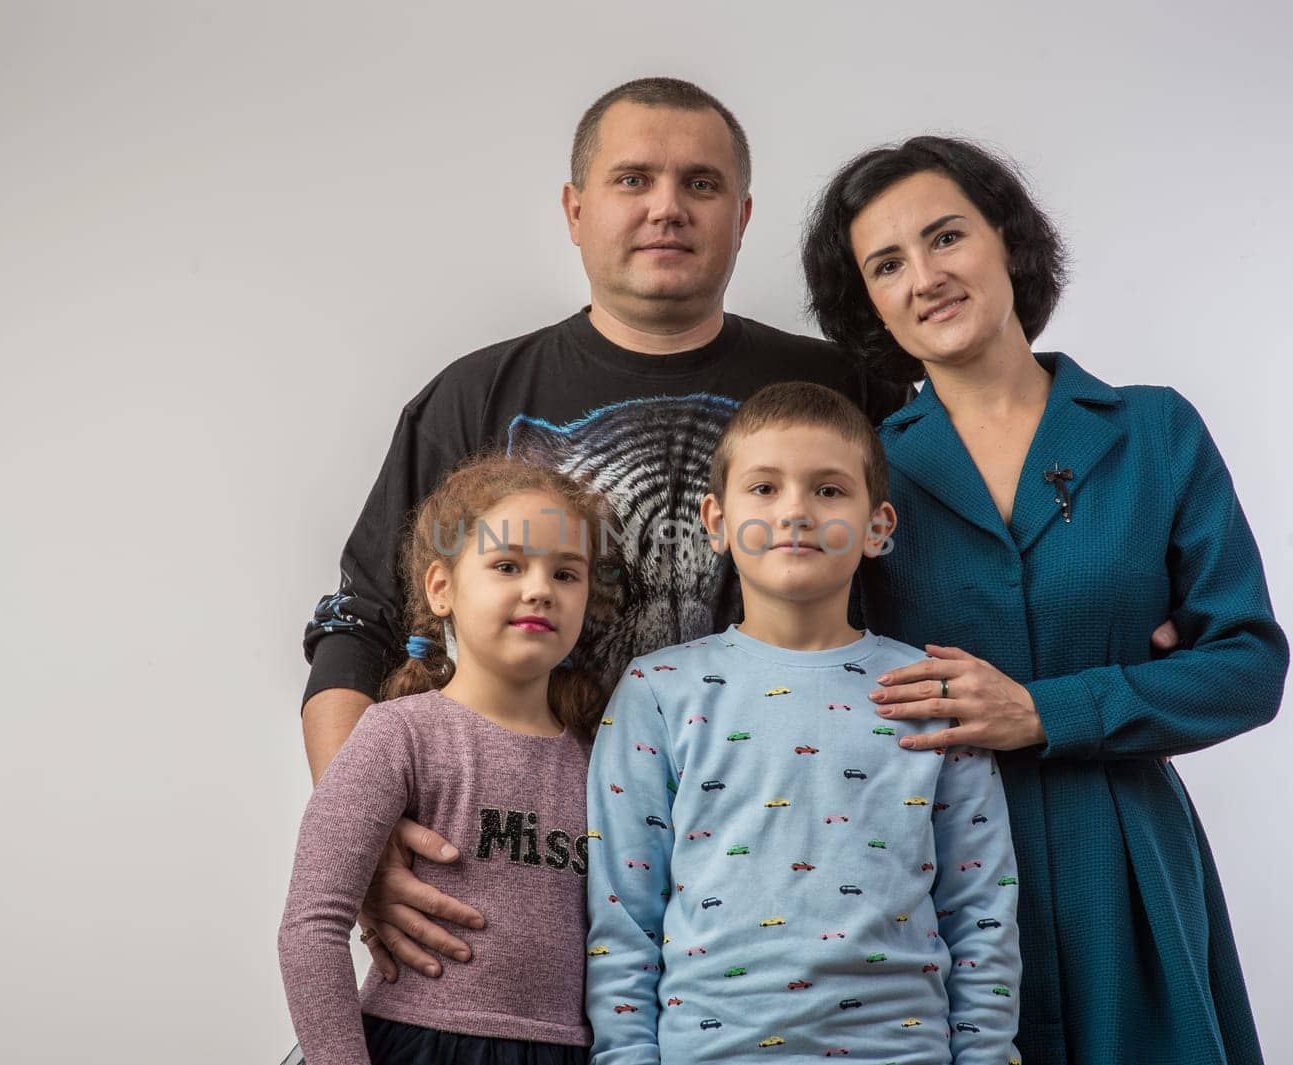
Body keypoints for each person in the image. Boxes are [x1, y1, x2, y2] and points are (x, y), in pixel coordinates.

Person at [298, 76, 908, 983]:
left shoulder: (843, 393)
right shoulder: (475, 397)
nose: (667, 208)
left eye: (700, 184)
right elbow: (359, 626)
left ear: (742, 217)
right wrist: (359, 835)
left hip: (775, 882)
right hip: (500, 890)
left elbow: (955, 559)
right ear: (576, 209)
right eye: (633, 180)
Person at [801, 136, 1289, 1065]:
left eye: (947, 238)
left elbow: (1248, 666)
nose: (926, 277)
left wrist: (1044, 708)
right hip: (927, 870)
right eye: (888, 264)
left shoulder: (1155, 430)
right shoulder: (859, 472)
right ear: (866, 302)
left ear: (1008, 242)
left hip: (1126, 865)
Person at [584, 383, 1022, 1064]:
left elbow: (982, 913)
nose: (794, 510)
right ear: (717, 519)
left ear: (878, 526)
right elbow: (623, 916)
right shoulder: (658, 691)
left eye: (827, 490)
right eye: (764, 488)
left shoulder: (929, 693)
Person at [278, 455, 615, 1065]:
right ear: (442, 588)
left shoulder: (604, 761)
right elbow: (312, 926)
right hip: (414, 1045)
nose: (540, 587)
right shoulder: (397, 733)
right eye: (508, 565)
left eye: (567, 573)